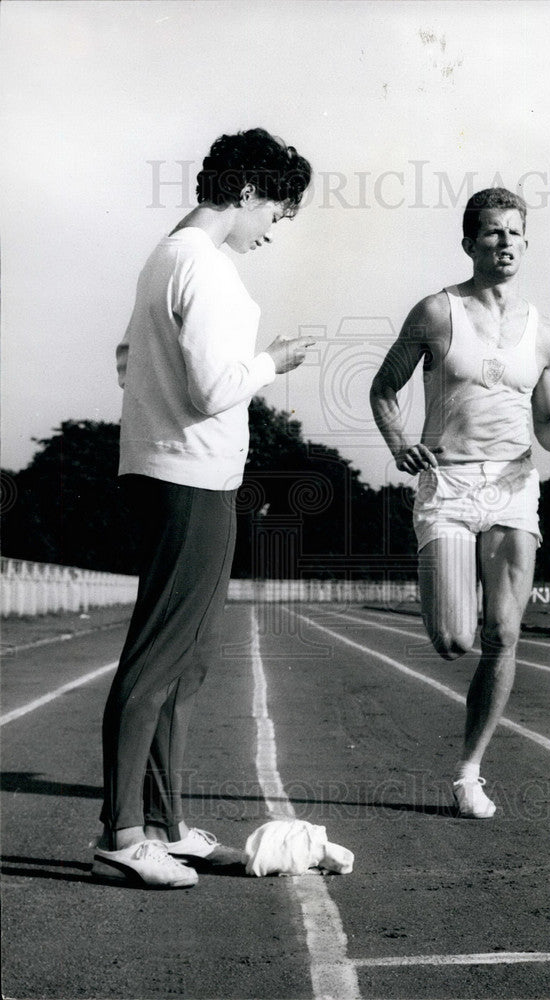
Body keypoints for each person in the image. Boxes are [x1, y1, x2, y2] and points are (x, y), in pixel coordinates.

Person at [93, 128, 314, 887]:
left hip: (168, 470)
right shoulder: (209, 268)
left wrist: (158, 407)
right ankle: (124, 834)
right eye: (275, 213)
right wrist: (272, 363)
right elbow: (217, 389)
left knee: (183, 663)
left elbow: (126, 359)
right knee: (161, 659)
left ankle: (167, 826)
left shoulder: (165, 254)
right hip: (191, 478)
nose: (270, 231)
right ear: (247, 192)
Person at [370, 187, 550, 818]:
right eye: (492, 232)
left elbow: (548, 423)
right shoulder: (436, 313)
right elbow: (384, 388)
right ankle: (451, 600)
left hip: (512, 486)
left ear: (527, 242)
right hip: (447, 482)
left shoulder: (545, 334)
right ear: (469, 242)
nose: (505, 242)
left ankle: (469, 772)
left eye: (515, 232)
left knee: (504, 634)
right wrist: (399, 445)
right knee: (453, 640)